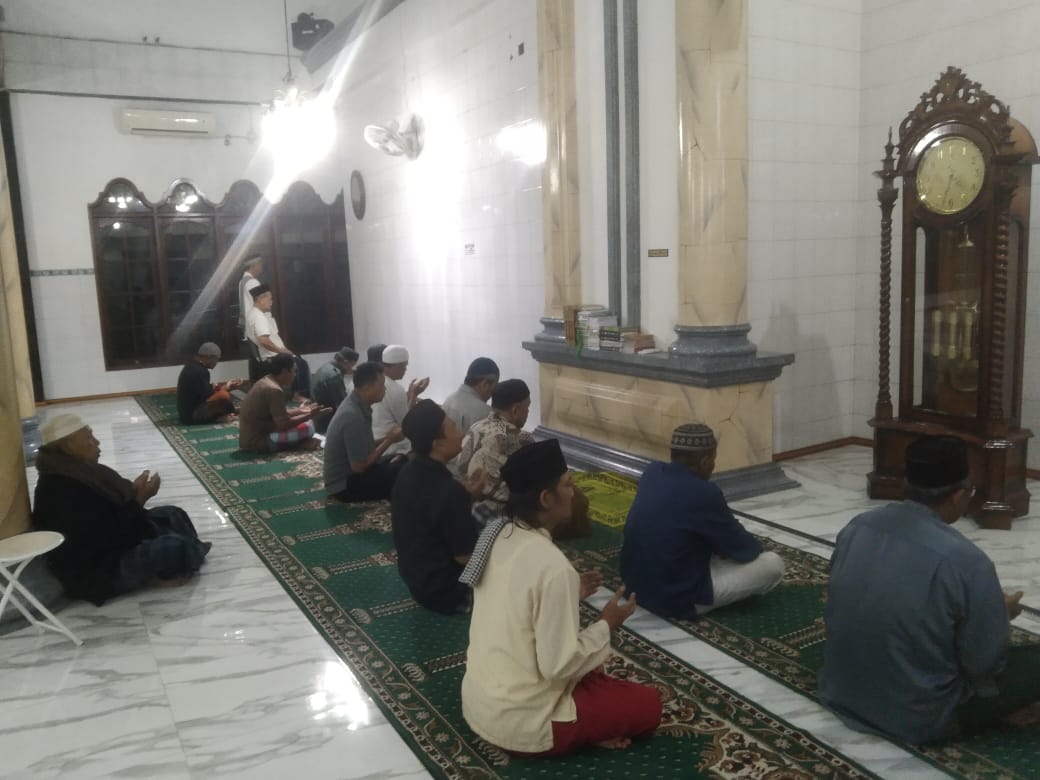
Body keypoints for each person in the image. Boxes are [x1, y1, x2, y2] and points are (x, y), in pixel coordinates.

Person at [818, 435, 1040, 744]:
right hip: (919, 719)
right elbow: (984, 665)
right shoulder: (968, 562)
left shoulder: (857, 526)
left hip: (839, 691)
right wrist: (999, 615)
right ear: (958, 497)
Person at [460, 439, 662, 756]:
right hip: (524, 722)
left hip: (480, 701)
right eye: (567, 484)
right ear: (546, 499)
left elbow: (513, 600)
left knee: (595, 671)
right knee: (649, 706)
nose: (574, 492)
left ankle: (591, 718)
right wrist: (607, 624)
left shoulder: (496, 533)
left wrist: (570, 593)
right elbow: (559, 666)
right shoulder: (553, 567)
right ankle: (585, 728)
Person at [31, 414, 211, 605]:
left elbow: (111, 515)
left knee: (173, 513)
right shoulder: (61, 488)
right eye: (89, 438)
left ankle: (189, 552)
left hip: (113, 544)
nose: (97, 442)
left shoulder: (76, 470)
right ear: (68, 446)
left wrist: (133, 496)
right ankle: (183, 555)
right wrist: (139, 500)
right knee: (172, 547)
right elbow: (109, 537)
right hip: (99, 572)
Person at [619, 423, 785, 619]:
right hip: (674, 599)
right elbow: (746, 549)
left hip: (634, 587)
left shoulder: (652, 472)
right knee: (773, 564)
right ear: (705, 461)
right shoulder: (705, 493)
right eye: (713, 460)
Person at [454, 379, 591, 538]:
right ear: (516, 410)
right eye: (527, 407)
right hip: (499, 515)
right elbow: (536, 485)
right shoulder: (520, 438)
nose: (528, 412)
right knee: (572, 501)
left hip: (469, 506)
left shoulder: (476, 426)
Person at [390, 400, 485, 613]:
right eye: (453, 428)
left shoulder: (406, 472)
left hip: (418, 582)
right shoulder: (450, 490)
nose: (461, 434)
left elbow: (434, 517)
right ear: (437, 444)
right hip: (450, 592)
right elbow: (465, 557)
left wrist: (468, 499)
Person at [323, 361, 407, 502]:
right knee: (402, 471)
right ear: (368, 388)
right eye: (382, 385)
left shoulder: (357, 404)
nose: (385, 389)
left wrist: (387, 438)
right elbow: (359, 467)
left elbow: (363, 445)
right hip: (344, 486)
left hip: (351, 475)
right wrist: (389, 440)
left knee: (400, 458)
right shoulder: (352, 416)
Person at [238, 354, 327, 454]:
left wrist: (302, 410)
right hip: (259, 442)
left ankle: (300, 442)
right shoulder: (274, 390)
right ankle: (300, 444)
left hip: (249, 437)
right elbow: (284, 424)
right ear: (284, 371)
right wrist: (309, 415)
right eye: (294, 371)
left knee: (306, 425)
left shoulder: (266, 380)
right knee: (309, 428)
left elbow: (279, 414)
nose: (295, 375)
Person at [245, 284, 312, 399]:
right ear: (261, 299)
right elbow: (264, 340)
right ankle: (298, 395)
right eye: (270, 299)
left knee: (298, 358)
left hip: (268, 356)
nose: (272, 302)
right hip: (271, 358)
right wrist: (282, 351)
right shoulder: (259, 317)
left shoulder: (253, 314)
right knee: (301, 364)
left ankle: (297, 394)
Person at [372, 344, 428, 457]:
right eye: (403, 366)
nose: (405, 370)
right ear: (395, 366)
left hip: (373, 440)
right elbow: (406, 422)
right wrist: (414, 395)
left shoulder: (372, 381)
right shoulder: (395, 389)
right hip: (393, 448)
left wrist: (410, 395)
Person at [176, 342, 242, 424]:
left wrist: (218, 387)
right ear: (209, 357)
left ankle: (228, 413)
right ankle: (226, 415)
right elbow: (207, 397)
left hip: (185, 415)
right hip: (192, 417)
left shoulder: (191, 366)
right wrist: (226, 388)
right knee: (224, 397)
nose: (216, 363)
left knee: (222, 396)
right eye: (216, 359)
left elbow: (201, 391)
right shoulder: (201, 371)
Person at [442, 357, 499, 434]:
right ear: (485, 384)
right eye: (495, 386)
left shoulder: (449, 399)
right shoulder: (486, 413)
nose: (494, 392)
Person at [311, 347, 358, 431]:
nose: (351, 369)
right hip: (327, 422)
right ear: (345, 362)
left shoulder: (325, 367)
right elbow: (342, 405)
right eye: (351, 365)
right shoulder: (334, 376)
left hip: (317, 418)